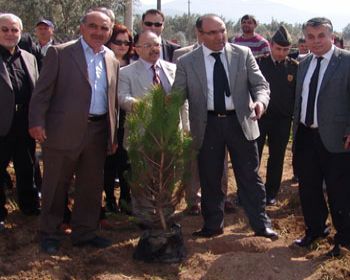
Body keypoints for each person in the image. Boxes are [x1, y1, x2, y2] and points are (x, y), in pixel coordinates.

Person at [173, 14, 278, 239]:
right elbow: (177, 96)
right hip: (207, 124)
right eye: (212, 32)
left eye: (222, 30)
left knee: (249, 176)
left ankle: (260, 224)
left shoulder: (243, 54)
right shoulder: (187, 62)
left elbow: (261, 85)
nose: (220, 36)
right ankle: (212, 225)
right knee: (210, 177)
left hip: (240, 122)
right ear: (199, 35)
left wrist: (260, 102)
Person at [28, 7, 119, 254]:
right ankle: (49, 233)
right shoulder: (60, 53)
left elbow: (112, 100)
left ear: (110, 31)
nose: (98, 32)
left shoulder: (111, 58)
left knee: (91, 186)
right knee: (56, 185)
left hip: (98, 131)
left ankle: (85, 232)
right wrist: (36, 122)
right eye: (93, 26)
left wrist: (112, 134)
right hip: (62, 131)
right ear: (82, 27)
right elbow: (42, 92)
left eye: (104, 28)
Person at [293, 17, 350, 257]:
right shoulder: (303, 63)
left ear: (332, 36)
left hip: (337, 137)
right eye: (310, 37)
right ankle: (316, 229)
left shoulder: (346, 62)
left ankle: (345, 238)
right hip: (305, 135)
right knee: (308, 186)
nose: (315, 42)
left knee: (340, 190)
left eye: (321, 36)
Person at [0, 13, 41, 231]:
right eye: (5, 29)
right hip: (1, 125)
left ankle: (30, 207)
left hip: (25, 123)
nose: (10, 34)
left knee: (27, 167)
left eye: (14, 30)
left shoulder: (29, 57)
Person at [256, 26, 298, 206]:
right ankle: (248, 192)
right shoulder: (259, 63)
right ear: (271, 45)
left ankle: (271, 192)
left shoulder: (295, 68)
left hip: (282, 120)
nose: (281, 53)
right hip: (259, 118)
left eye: (286, 49)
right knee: (253, 156)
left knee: (277, 156)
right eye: (278, 49)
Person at [103, 23, 134, 214]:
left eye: (127, 42)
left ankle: (126, 197)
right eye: (118, 42)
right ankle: (109, 200)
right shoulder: (102, 62)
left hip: (128, 121)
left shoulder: (133, 66)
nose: (123, 46)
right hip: (107, 121)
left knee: (127, 163)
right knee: (108, 163)